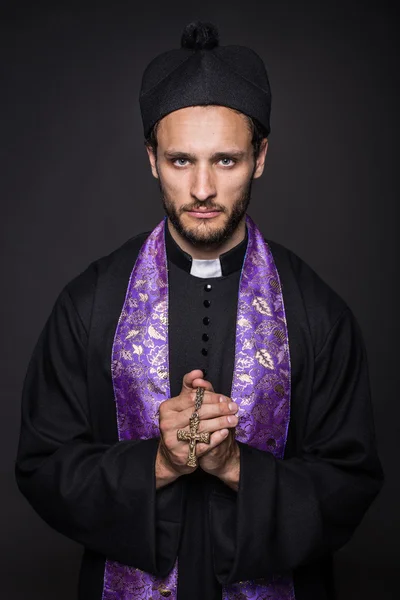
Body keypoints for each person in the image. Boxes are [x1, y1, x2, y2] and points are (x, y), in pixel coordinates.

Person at [15, 21, 383, 600]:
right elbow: (41, 466)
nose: (203, 188)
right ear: (151, 159)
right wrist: (160, 463)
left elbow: (352, 483)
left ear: (260, 157)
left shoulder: (317, 314)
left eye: (227, 161)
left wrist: (235, 466)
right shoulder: (90, 304)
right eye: (181, 160)